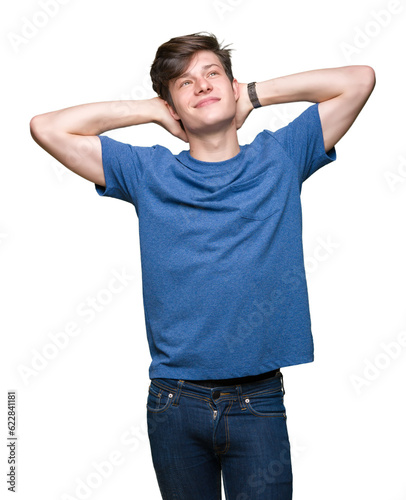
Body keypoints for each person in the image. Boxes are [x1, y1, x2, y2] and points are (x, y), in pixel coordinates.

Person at [30, 32, 375, 500]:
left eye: (212, 73)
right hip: (174, 402)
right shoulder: (148, 172)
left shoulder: (280, 156)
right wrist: (152, 110)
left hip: (258, 399)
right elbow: (47, 126)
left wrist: (251, 95)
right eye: (184, 84)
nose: (202, 86)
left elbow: (358, 80)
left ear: (232, 85)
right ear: (173, 106)